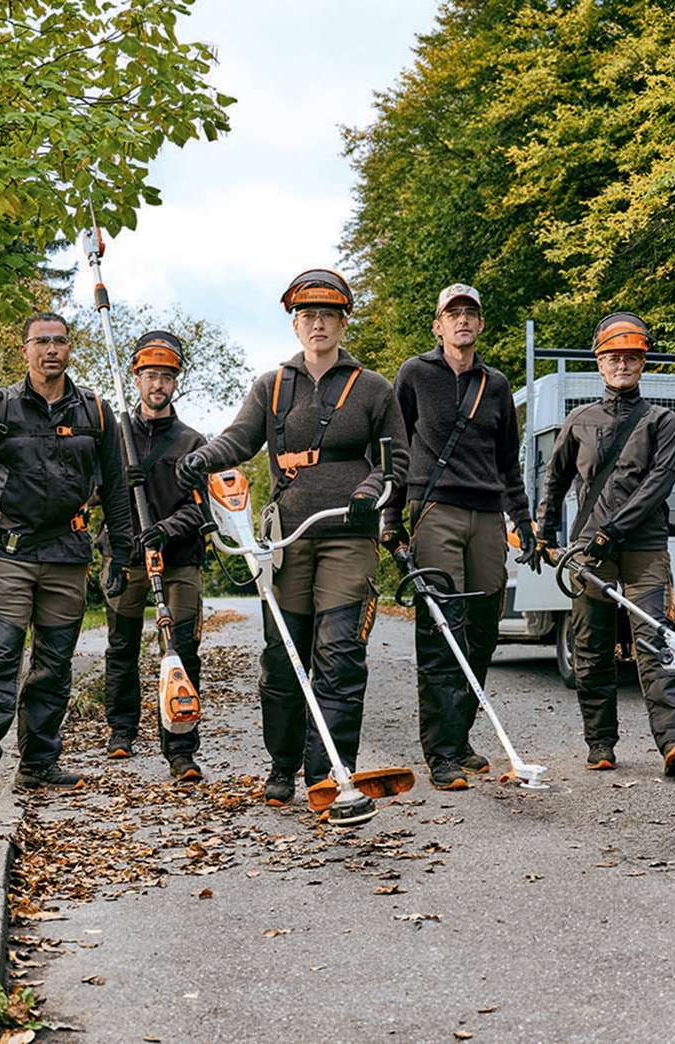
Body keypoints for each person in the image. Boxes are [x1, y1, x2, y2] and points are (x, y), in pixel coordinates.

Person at [176, 269, 408, 806]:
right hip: (288, 540)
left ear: (344, 321)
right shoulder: (272, 386)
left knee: (340, 654)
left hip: (349, 537)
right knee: (283, 658)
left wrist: (370, 489)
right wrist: (203, 458)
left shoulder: (374, 388)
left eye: (328, 315)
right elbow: (238, 438)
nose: (318, 324)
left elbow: (397, 460)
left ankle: (330, 771)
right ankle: (282, 765)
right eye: (307, 316)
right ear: (295, 324)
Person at [0, 311, 134, 797]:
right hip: (9, 554)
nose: (51, 350)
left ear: (70, 350)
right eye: (41, 342)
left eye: (60, 342)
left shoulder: (96, 412)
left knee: (54, 663)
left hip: (68, 555)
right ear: (25, 349)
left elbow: (116, 488)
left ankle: (39, 763)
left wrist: (123, 551)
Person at [383, 283, 537, 791]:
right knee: (440, 627)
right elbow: (393, 449)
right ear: (438, 325)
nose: (462, 321)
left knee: (483, 629)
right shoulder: (414, 375)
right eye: (453, 314)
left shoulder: (495, 385)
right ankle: (442, 753)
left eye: (470, 313)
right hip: (436, 509)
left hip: (487, 514)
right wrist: (391, 514)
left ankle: (461, 734)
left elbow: (508, 462)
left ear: (480, 325)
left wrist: (525, 521)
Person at [535, 312, 675, 776]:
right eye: (613, 357)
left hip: (644, 548)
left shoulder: (663, 422)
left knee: (658, 643)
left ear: (642, 363)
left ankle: (673, 744)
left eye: (630, 357)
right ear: (599, 363)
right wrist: (544, 534)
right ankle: (600, 743)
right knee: (592, 645)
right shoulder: (579, 420)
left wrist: (613, 532)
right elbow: (555, 478)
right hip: (589, 555)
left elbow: (658, 482)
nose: (622, 365)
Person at [99, 331, 208, 784]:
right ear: (137, 379)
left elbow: (200, 506)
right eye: (149, 376)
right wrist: (121, 488)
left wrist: (164, 529)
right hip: (125, 557)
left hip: (179, 558)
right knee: (121, 647)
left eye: (166, 376)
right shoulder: (114, 436)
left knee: (182, 650)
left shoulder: (193, 441)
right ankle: (121, 731)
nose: (157, 384)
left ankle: (180, 749)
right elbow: (94, 494)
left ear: (175, 383)